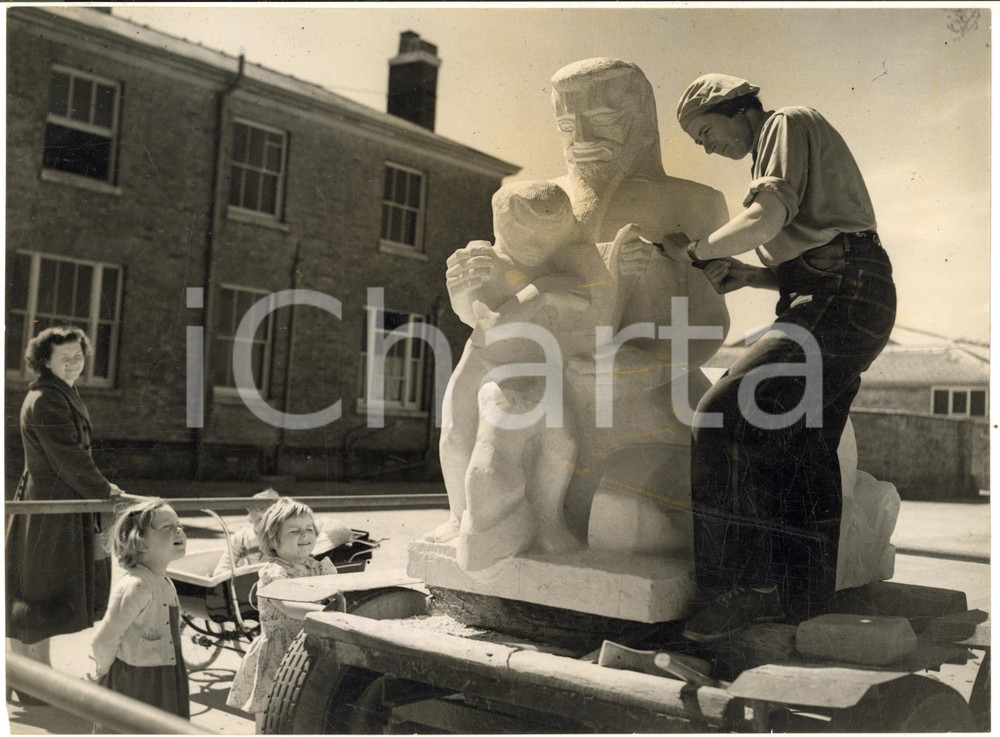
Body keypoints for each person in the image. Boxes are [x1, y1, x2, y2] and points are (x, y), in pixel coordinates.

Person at [442, 59, 730, 551]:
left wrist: (646, 364)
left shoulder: (695, 201)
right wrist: (465, 292)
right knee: (480, 438)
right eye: (567, 124)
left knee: (623, 518)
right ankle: (484, 523)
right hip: (538, 384)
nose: (583, 136)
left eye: (605, 117)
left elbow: (709, 324)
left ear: (641, 115)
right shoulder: (539, 199)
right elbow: (500, 297)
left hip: (647, 403)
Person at [662, 74, 896, 641]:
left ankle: (740, 589)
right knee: (802, 448)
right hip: (851, 294)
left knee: (722, 416)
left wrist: (698, 250)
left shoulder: (784, 123)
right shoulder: (784, 146)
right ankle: (804, 605)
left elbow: (765, 220)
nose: (706, 146)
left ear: (738, 109)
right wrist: (752, 275)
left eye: (706, 131)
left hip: (838, 295)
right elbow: (817, 250)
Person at [6, 325, 126, 702]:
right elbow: (69, 459)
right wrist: (106, 491)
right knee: (40, 589)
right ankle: (30, 679)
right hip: (50, 507)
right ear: (45, 361)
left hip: (57, 503)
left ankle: (27, 675)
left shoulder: (61, 392)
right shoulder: (47, 400)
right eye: (65, 358)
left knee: (37, 588)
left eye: (78, 356)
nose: (74, 363)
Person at [226, 498, 338, 732]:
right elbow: (289, 606)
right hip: (280, 651)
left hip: (313, 647)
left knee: (308, 710)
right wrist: (329, 611)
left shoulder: (321, 568)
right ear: (273, 541)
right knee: (271, 717)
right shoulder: (273, 572)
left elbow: (339, 591)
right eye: (294, 531)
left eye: (309, 529)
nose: (304, 535)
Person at [90, 499, 190, 722]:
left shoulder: (164, 582)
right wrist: (105, 673)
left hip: (166, 677)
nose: (179, 531)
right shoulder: (136, 586)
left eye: (179, 524)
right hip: (136, 684)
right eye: (168, 527)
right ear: (141, 542)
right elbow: (103, 639)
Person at [212, 489, 353, 578]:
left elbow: (337, 529)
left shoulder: (292, 537)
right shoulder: (241, 538)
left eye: (265, 520)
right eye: (256, 520)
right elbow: (222, 571)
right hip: (252, 585)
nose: (260, 527)